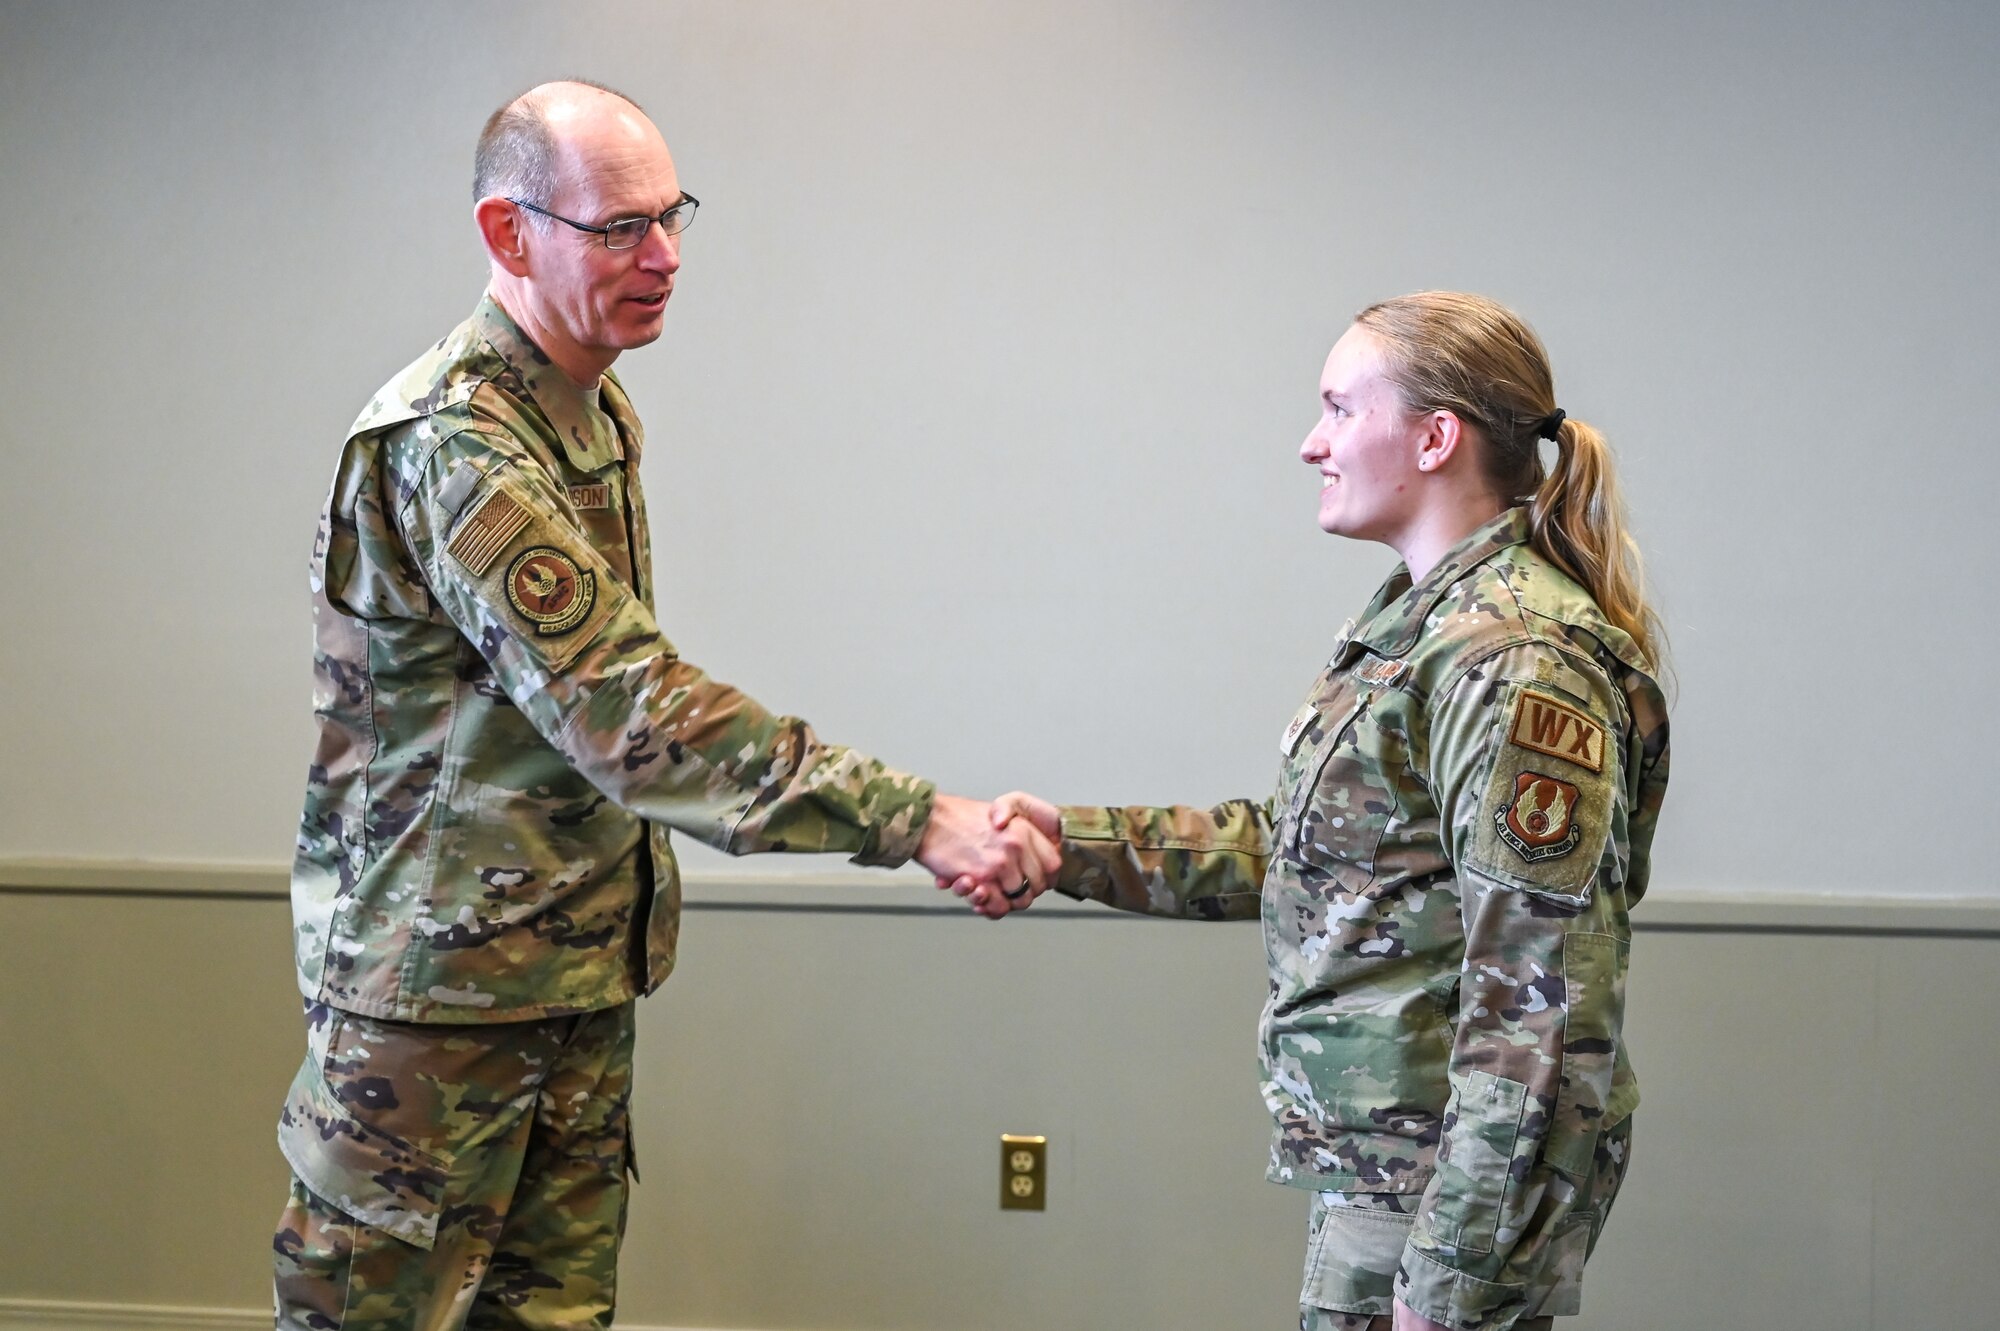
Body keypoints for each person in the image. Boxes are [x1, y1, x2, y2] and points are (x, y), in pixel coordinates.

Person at [273, 80, 1058, 1330]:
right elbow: (630, 716)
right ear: (508, 234)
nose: (663, 257)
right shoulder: (457, 442)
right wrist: (921, 820)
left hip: (568, 975)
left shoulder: (591, 406)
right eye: (618, 229)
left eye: (671, 216)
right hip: (438, 1005)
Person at [956, 292, 1671, 1331]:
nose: (1310, 442)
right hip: (1391, 1177)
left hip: (1438, 1198)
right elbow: (1310, 851)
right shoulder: (1421, 621)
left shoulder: (1512, 658)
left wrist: (1455, 1278)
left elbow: (1543, 1005)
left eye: (1338, 407)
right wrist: (1072, 846)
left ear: (1434, 437)